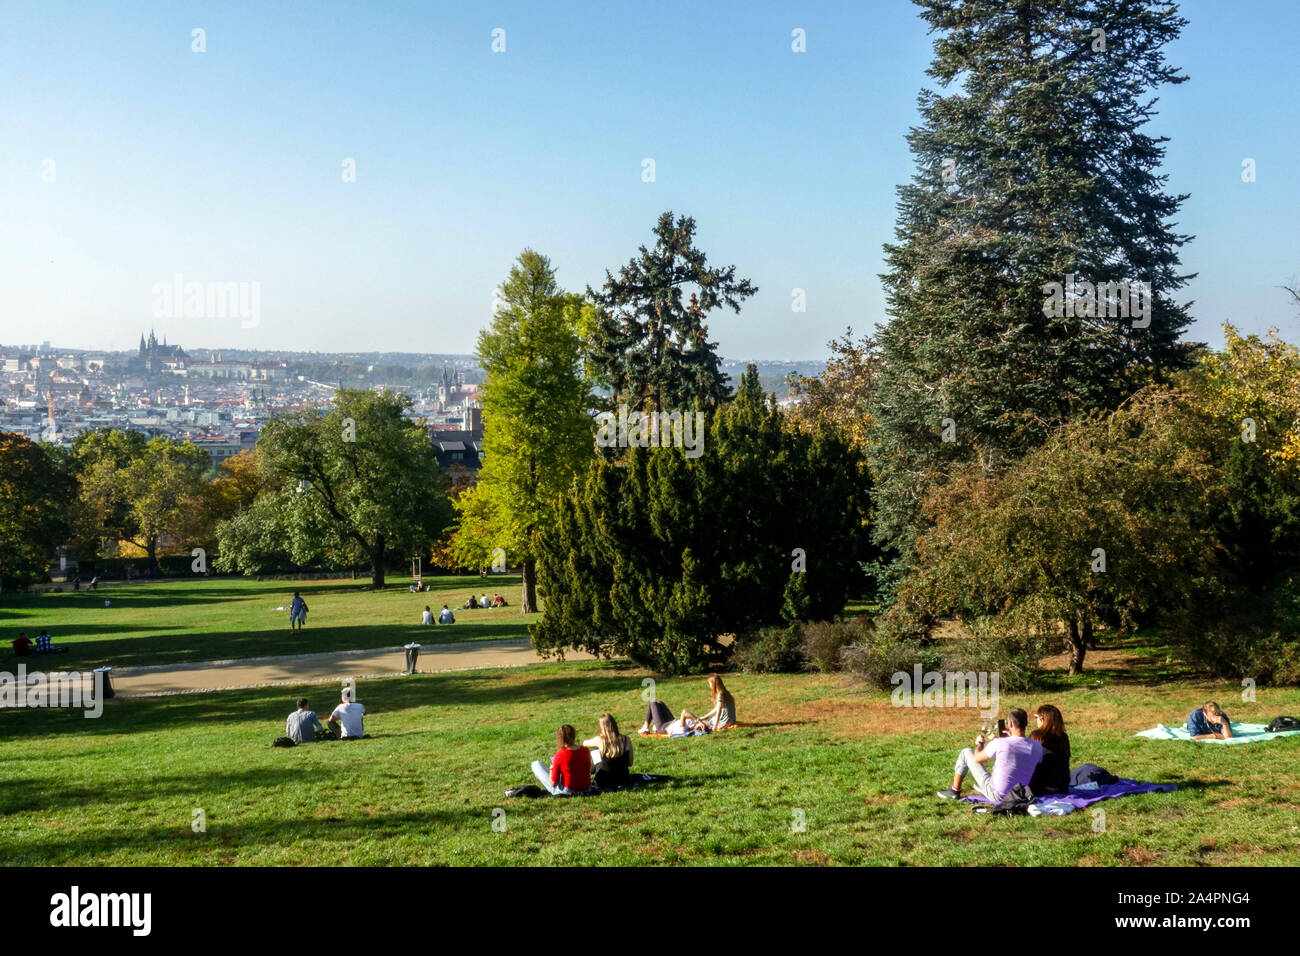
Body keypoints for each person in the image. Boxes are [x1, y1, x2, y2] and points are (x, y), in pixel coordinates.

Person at [938, 707, 1042, 802]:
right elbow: (1018, 757)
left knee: (966, 752)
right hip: (1020, 795)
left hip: (998, 795)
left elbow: (977, 758)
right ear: (1026, 724)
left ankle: (954, 791)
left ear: (1010, 724)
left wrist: (979, 745)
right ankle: (981, 787)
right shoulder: (1037, 747)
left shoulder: (1000, 743)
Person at [530, 724, 592, 796]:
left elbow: (553, 783)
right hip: (586, 788)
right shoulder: (585, 750)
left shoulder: (560, 755)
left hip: (567, 790)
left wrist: (551, 770)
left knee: (535, 764)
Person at [1028, 703, 1071, 796]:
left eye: (1037, 717)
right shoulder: (1063, 737)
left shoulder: (1036, 736)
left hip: (1040, 789)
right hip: (1062, 788)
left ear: (1042, 719)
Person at [584, 715, 635, 789]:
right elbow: (630, 763)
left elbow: (584, 743)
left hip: (603, 780)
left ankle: (591, 770)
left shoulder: (599, 740)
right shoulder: (626, 739)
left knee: (595, 751)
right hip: (623, 779)